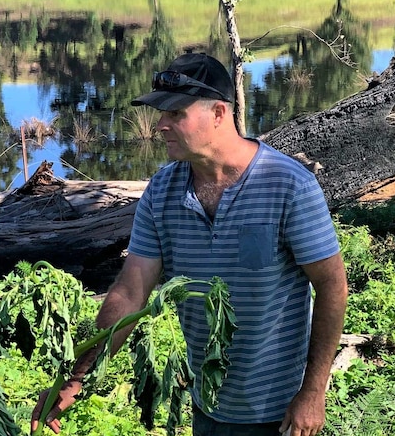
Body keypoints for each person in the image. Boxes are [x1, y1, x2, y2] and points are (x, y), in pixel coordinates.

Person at [31, 53, 348, 436]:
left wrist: (313, 393)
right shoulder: (162, 191)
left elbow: (331, 285)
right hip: (208, 404)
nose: (160, 125)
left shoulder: (288, 185)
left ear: (218, 113)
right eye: (160, 113)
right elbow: (130, 292)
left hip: (280, 412)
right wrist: (76, 378)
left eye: (175, 114)